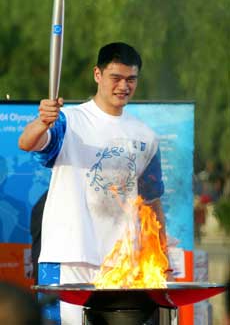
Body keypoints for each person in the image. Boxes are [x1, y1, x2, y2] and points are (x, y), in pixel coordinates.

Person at [18, 42, 168, 324]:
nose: (123, 86)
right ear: (97, 75)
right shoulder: (69, 121)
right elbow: (27, 143)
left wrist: (163, 255)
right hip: (68, 255)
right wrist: (42, 122)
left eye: (131, 79)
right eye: (116, 78)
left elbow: (151, 201)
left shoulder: (146, 136)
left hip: (120, 261)